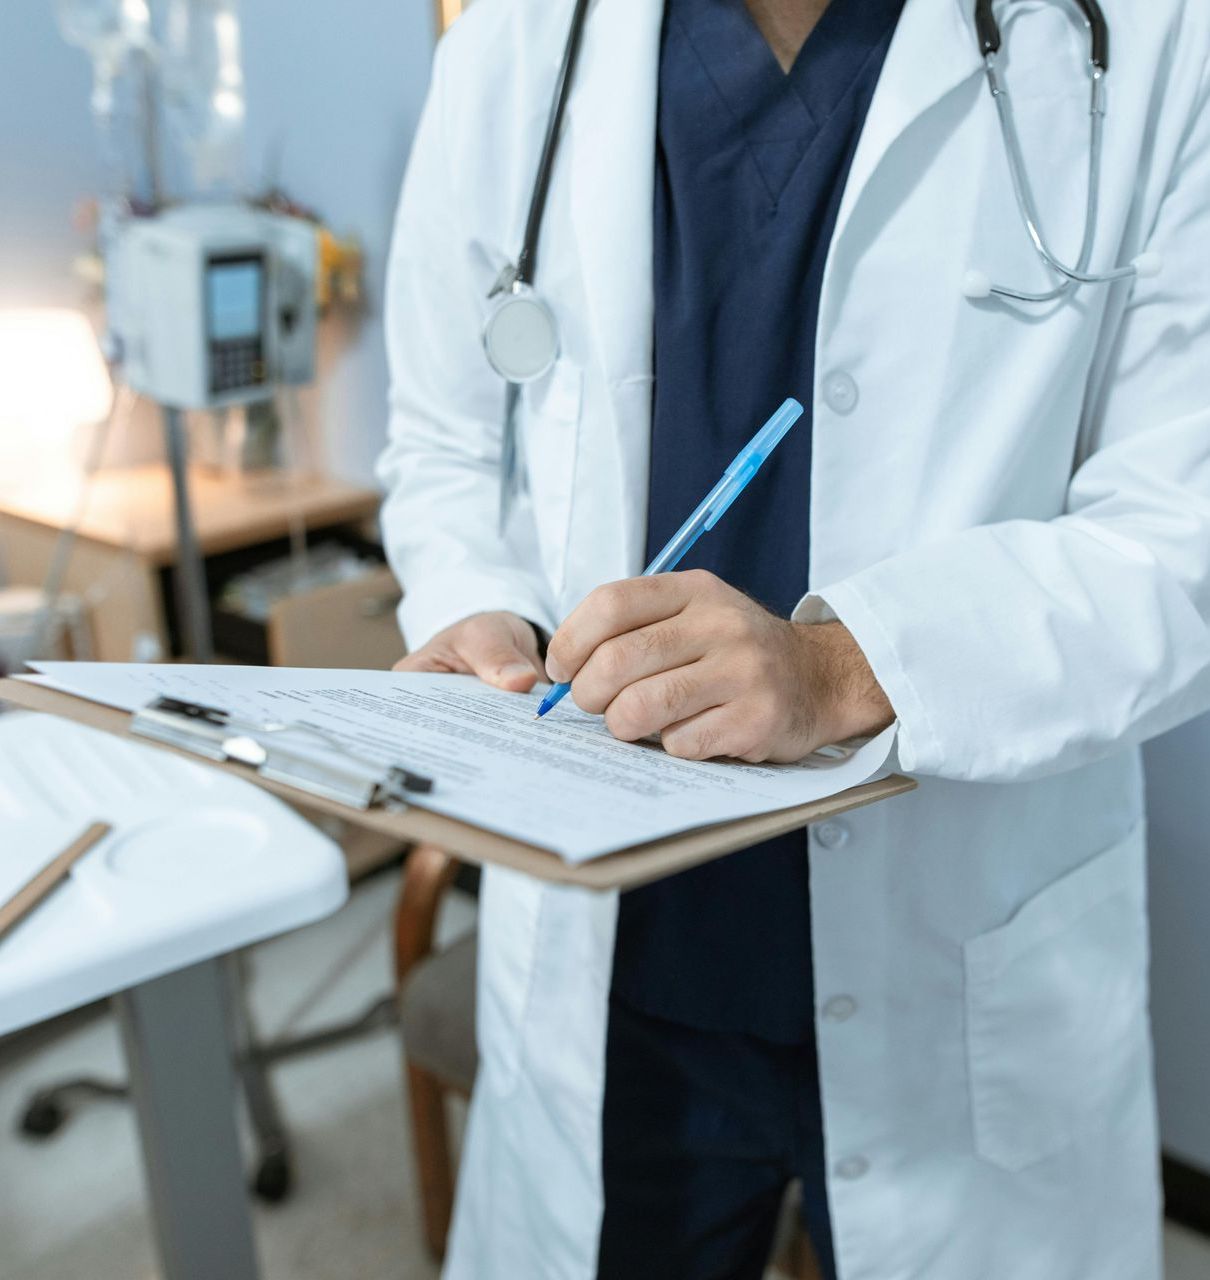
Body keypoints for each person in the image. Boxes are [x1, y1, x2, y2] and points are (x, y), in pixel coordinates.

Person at [377, 0, 1210, 1277]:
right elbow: (441, 442)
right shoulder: (521, 40)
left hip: (962, 932)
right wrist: (477, 609)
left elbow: (1181, 532)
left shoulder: (1158, 39)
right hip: (622, 961)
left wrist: (841, 665)